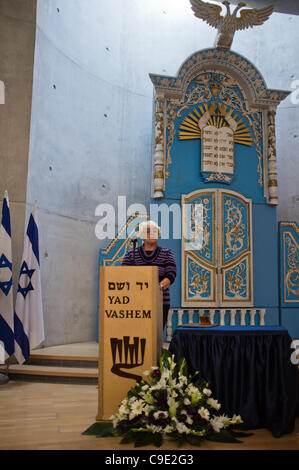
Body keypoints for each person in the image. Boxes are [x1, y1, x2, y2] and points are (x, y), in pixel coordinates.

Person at [121, 220, 177, 330]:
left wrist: (158, 289)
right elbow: (124, 275)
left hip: (160, 301)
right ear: (141, 236)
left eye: (155, 231)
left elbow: (171, 274)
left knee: (156, 334)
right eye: (148, 231)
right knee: (138, 332)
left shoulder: (167, 253)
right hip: (135, 302)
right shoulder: (131, 253)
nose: (152, 233)